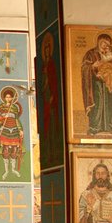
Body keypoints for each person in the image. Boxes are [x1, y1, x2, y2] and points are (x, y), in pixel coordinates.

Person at [81, 33, 112, 135]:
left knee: (110, 103)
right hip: (96, 84)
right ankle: (95, 127)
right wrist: (92, 66)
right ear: (98, 42)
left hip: (109, 85)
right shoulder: (90, 54)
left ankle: (110, 127)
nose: (105, 46)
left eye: (107, 44)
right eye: (103, 43)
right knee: (98, 103)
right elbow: (84, 68)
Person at [39, 31, 61, 167]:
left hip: (52, 102)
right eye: (45, 50)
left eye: (48, 49)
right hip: (46, 101)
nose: (47, 52)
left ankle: (54, 153)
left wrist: (52, 95)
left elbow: (54, 82)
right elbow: (43, 85)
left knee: (52, 126)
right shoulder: (43, 67)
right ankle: (48, 153)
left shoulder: (52, 65)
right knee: (47, 127)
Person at [0, 86, 24, 179]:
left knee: (14, 151)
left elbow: (17, 119)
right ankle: (6, 170)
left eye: (10, 97)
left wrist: (20, 130)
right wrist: (2, 117)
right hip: (5, 129)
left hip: (14, 130)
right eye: (6, 97)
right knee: (5, 150)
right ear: (4, 98)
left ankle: (13, 169)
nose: (8, 99)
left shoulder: (14, 107)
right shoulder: (0, 107)